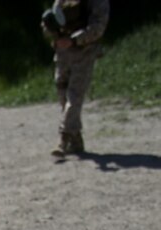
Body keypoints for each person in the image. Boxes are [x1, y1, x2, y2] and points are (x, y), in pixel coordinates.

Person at [41, 0, 110, 157]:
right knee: (62, 92)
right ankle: (76, 139)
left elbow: (98, 27)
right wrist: (52, 31)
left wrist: (74, 40)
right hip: (63, 53)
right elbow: (53, 17)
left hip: (85, 52)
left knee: (75, 94)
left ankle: (63, 138)